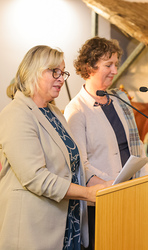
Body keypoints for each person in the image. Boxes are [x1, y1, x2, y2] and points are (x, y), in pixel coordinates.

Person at [0, 45, 113, 250]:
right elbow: (36, 178)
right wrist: (88, 194)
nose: (61, 79)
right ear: (33, 71)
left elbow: (72, 164)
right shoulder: (17, 114)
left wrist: (105, 183)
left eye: (63, 73)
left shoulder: (54, 112)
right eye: (55, 72)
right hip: (32, 229)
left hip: (66, 224)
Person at [64, 36, 148, 249]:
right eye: (108, 65)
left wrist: (147, 184)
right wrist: (112, 184)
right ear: (89, 67)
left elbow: (135, 145)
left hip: (132, 193)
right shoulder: (76, 110)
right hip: (103, 200)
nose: (114, 70)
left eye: (115, 64)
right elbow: (80, 165)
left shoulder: (120, 101)